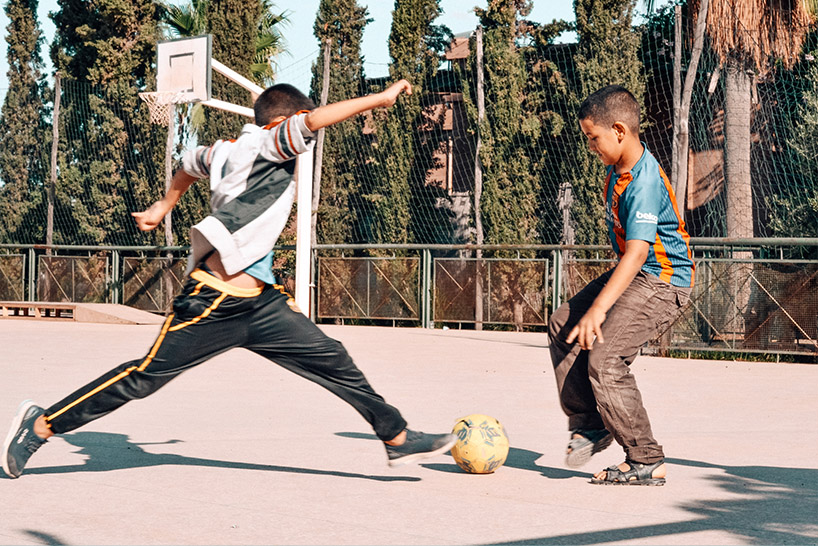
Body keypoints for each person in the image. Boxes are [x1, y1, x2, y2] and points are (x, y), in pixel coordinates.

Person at [2, 79, 456, 479]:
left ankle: (397, 439)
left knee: (333, 358)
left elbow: (188, 161)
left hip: (262, 305)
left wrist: (165, 205)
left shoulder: (223, 150)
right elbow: (316, 120)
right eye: (300, 125)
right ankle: (42, 423)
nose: (305, 136)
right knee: (144, 377)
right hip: (213, 301)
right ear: (288, 120)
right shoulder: (271, 143)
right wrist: (378, 99)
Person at [548, 85, 694, 485]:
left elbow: (637, 253)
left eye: (593, 138)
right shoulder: (618, 170)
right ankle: (593, 424)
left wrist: (599, 309)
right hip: (642, 275)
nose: (591, 146)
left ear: (618, 130)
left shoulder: (643, 180)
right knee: (564, 324)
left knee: (606, 360)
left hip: (665, 281)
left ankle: (646, 459)